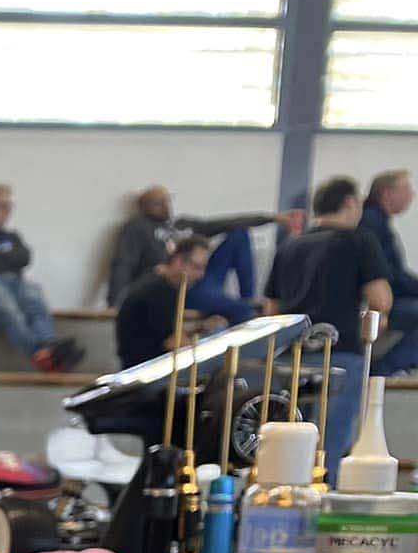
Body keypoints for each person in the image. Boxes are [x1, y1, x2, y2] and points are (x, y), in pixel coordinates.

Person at [265, 176, 393, 482]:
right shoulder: (359, 241)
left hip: (291, 356)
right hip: (340, 353)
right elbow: (380, 299)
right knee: (329, 445)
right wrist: (379, 319)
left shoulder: (290, 246)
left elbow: (271, 309)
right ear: (349, 202)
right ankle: (322, 499)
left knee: (290, 440)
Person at [107, 185, 298, 324]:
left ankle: (248, 298)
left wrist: (273, 218)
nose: (165, 206)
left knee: (239, 234)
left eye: (167, 200)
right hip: (181, 285)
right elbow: (122, 264)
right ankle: (247, 312)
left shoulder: (181, 224)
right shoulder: (137, 228)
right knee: (239, 309)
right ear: (144, 206)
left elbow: (227, 223)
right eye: (158, 202)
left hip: (204, 276)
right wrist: (116, 305)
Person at [0, 185, 83, 373]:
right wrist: (4, 259)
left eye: (9, 206)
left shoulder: (11, 236)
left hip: (14, 283)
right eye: (0, 206)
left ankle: (49, 344)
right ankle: (41, 353)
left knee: (34, 298)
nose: (6, 211)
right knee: (8, 309)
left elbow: (24, 258)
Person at [115, 235, 212, 369]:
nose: (201, 275)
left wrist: (201, 327)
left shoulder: (158, 282)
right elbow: (174, 343)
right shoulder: (157, 292)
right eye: (196, 267)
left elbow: (163, 331)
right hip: (146, 372)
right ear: (178, 261)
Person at [358, 170, 418, 377]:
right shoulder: (373, 221)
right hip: (373, 302)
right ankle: (385, 372)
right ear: (387, 193)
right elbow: (388, 274)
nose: (412, 195)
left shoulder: (375, 220)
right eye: (406, 189)